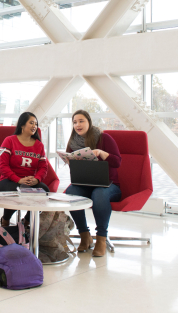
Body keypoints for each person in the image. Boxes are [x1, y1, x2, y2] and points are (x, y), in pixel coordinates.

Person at [65, 109, 122, 257]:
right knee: (71, 192)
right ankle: (84, 235)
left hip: (108, 185)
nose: (78, 124)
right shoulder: (73, 142)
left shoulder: (104, 138)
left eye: (81, 121)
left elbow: (117, 162)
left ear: (89, 122)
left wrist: (103, 154)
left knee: (99, 194)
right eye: (75, 122)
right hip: (85, 184)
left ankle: (101, 239)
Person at [0, 112, 49, 227]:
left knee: (44, 191)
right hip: (9, 180)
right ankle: (6, 219)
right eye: (31, 123)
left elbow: (43, 167)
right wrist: (18, 180)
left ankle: (26, 221)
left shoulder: (39, 145)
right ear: (22, 125)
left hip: (30, 181)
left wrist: (37, 179)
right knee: (16, 191)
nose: (34, 126)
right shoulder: (9, 140)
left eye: (36, 124)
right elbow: (2, 166)